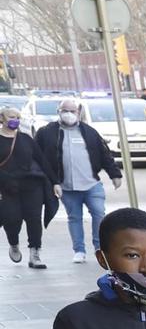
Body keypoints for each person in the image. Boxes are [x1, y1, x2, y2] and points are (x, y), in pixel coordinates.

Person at [37, 98, 119, 263]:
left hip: (91, 184)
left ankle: (99, 248)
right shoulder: (47, 132)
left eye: (72, 111)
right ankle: (79, 250)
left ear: (78, 112)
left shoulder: (89, 132)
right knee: (74, 217)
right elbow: (39, 158)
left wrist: (114, 174)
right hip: (66, 186)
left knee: (99, 214)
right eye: (64, 110)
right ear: (58, 112)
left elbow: (104, 154)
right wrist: (52, 182)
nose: (69, 114)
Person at [0, 105, 55, 269]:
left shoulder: (25, 138)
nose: (15, 120)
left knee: (34, 219)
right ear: (2, 118)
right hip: (7, 186)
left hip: (32, 185)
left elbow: (41, 160)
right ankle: (13, 243)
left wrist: (55, 182)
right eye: (11, 117)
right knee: (12, 219)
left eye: (17, 117)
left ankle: (35, 253)